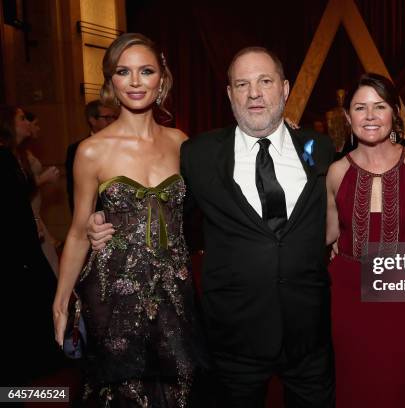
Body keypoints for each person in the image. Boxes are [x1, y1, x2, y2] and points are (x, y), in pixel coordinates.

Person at [89, 46, 336, 407]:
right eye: (242, 84)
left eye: (265, 81)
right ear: (229, 94)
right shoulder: (199, 154)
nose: (254, 93)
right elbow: (164, 207)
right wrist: (104, 220)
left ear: (284, 89)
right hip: (233, 338)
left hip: (308, 336)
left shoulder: (318, 146)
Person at [52, 33, 205, 406]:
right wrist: (59, 301)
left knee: (180, 389)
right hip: (112, 293)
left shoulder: (181, 142)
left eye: (146, 71)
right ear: (111, 81)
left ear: (162, 79)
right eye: (124, 72)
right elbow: (76, 233)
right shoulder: (91, 150)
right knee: (121, 393)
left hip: (176, 293)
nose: (135, 82)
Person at [325, 73, 405, 407]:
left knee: (397, 384)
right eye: (360, 107)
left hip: (403, 296)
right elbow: (328, 235)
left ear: (394, 113)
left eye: (379, 106)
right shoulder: (337, 171)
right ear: (347, 117)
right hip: (348, 295)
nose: (370, 116)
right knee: (353, 385)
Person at [0, 105, 62, 385]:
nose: (27, 122)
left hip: (25, 245)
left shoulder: (13, 157)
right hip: (15, 252)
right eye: (22, 118)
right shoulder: (4, 158)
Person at [18, 111, 61, 274]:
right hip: (27, 214)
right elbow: (15, 189)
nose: (36, 128)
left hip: (35, 213)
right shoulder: (11, 154)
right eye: (31, 122)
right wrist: (43, 179)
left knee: (51, 263)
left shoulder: (24, 151)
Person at [65, 100, 117, 213]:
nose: (112, 121)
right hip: (95, 217)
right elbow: (73, 190)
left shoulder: (123, 146)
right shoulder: (77, 149)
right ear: (92, 120)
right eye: (107, 117)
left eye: (114, 117)